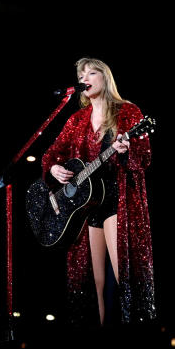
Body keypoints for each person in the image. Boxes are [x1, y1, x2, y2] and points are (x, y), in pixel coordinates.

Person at [41, 58, 155, 327]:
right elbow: (50, 156)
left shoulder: (127, 112)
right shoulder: (76, 120)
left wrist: (128, 151)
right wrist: (54, 169)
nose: (86, 78)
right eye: (82, 74)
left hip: (118, 199)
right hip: (89, 205)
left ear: (105, 78)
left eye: (92, 72)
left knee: (123, 274)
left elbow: (145, 156)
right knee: (96, 283)